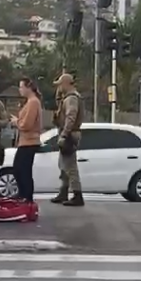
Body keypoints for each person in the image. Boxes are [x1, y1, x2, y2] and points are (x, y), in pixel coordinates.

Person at [50, 73, 85, 206]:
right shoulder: (68, 98)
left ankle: (77, 194)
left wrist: (64, 134)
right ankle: (63, 192)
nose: (58, 87)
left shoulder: (71, 98)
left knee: (70, 166)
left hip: (70, 134)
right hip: (70, 133)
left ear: (65, 83)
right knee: (64, 164)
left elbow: (71, 117)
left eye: (60, 84)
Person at [10, 77, 43, 201]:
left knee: (22, 170)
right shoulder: (31, 102)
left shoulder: (33, 102)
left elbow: (27, 124)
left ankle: (26, 196)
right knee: (20, 169)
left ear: (28, 88)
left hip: (29, 141)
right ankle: (24, 194)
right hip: (25, 141)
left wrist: (16, 122)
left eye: (21, 87)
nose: (20, 90)